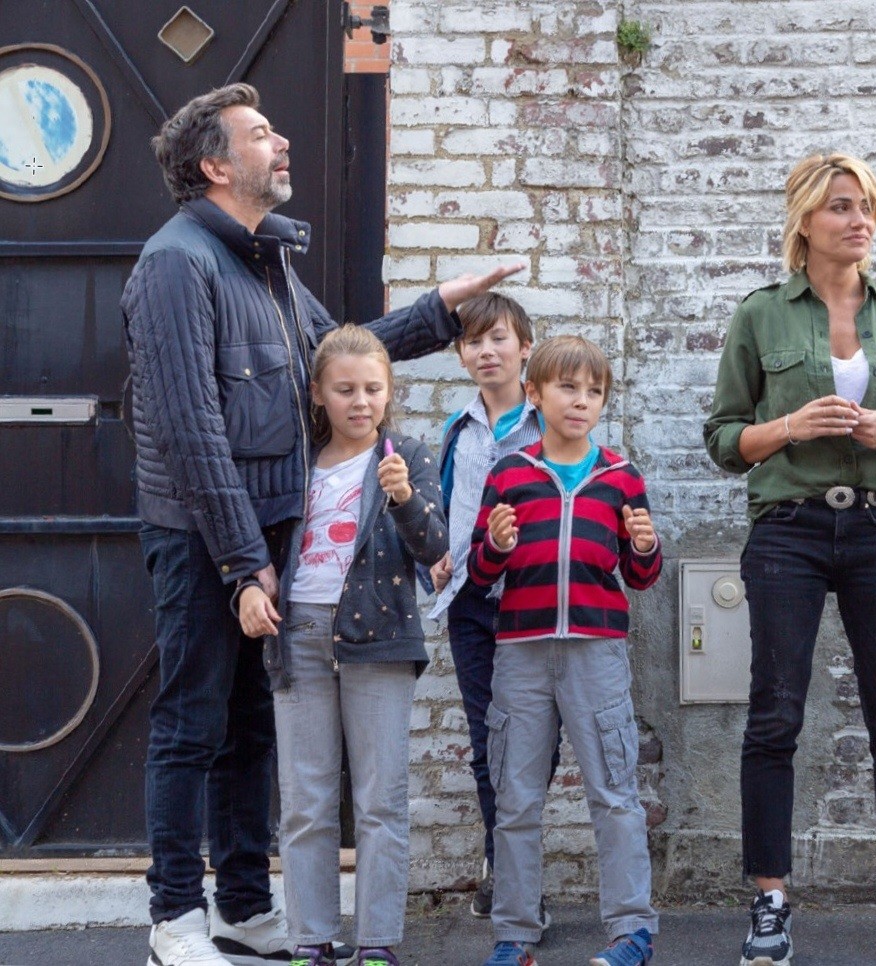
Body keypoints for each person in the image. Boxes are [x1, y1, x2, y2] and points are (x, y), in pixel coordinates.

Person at [122, 82, 519, 966]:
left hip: (262, 534)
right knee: (193, 721)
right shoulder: (175, 264)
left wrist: (440, 308)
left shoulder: (265, 265)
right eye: (262, 134)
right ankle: (176, 920)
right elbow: (190, 431)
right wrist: (237, 563)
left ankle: (243, 907)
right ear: (216, 164)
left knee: (251, 727)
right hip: (201, 537)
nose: (284, 142)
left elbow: (343, 360)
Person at [703, 153, 876, 966]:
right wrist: (790, 428)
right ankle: (769, 902)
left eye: (868, 207)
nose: (859, 221)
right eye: (841, 207)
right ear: (805, 220)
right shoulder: (762, 316)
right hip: (790, 530)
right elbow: (724, 439)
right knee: (775, 714)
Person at [235, 326, 447, 966]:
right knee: (305, 801)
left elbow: (435, 549)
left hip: (378, 638)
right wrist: (248, 584)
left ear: (389, 393)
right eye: (345, 389)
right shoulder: (294, 466)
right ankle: (310, 939)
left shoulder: (408, 457)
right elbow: (264, 546)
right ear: (319, 394)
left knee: (381, 798)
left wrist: (404, 498)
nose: (360, 400)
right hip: (298, 634)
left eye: (373, 388)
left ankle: (377, 940)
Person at [471, 336, 662, 966]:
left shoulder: (620, 476)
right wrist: (496, 545)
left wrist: (642, 547)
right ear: (535, 394)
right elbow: (478, 573)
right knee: (516, 797)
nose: (581, 402)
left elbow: (640, 578)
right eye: (567, 388)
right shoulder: (510, 474)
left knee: (614, 792)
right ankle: (515, 935)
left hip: (596, 651)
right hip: (521, 655)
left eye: (594, 391)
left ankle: (631, 931)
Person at [425, 293, 553, 922]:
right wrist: (441, 556)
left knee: (537, 740)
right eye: (473, 342)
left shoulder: (549, 421)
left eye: (498, 338)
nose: (486, 351)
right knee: (485, 739)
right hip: (473, 601)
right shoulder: (458, 427)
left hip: (537, 603)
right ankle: (506, 871)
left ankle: (517, 859)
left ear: (525, 346)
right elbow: (450, 506)